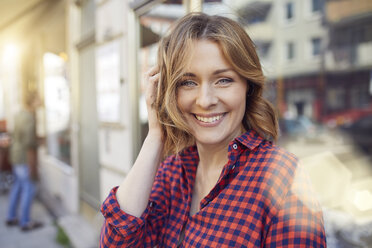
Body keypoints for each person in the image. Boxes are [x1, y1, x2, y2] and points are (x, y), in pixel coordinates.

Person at [100, 13, 326, 247]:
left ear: (247, 87)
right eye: (188, 82)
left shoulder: (282, 177)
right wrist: (156, 135)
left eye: (223, 80)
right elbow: (116, 243)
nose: (205, 100)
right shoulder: (173, 171)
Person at [5, 92, 42, 231]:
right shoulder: (29, 118)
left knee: (18, 186)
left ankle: (11, 217)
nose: (40, 101)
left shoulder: (19, 114)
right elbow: (29, 144)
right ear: (32, 101)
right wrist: (33, 166)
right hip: (24, 158)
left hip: (16, 156)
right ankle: (25, 222)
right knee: (29, 188)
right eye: (38, 99)